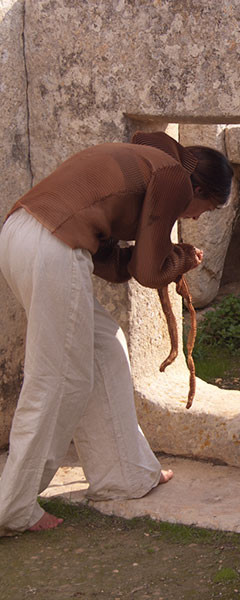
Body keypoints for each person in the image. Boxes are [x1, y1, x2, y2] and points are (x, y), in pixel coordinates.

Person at [0, 131, 233, 536]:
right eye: (204, 209)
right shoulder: (174, 177)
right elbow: (147, 269)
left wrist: (167, 258)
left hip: (25, 236)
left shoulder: (148, 162)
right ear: (198, 187)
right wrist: (180, 259)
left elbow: (111, 262)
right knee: (59, 381)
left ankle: (125, 473)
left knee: (104, 346)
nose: (193, 218)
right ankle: (14, 506)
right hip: (52, 246)